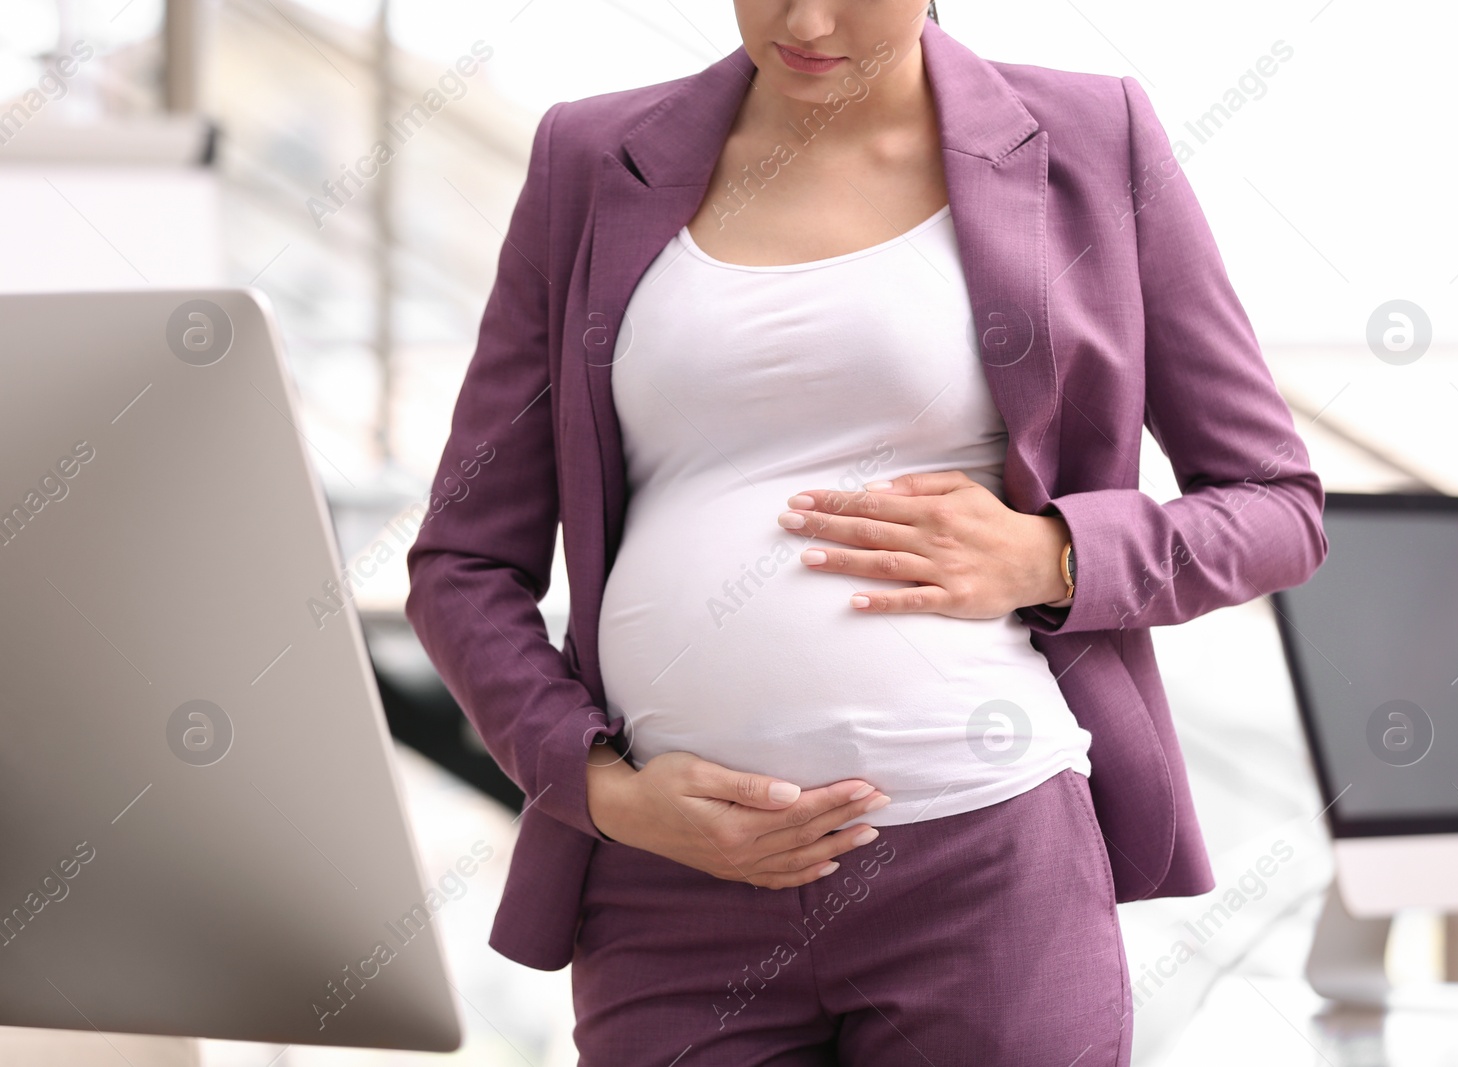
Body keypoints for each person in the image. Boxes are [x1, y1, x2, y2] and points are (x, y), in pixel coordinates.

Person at [405, 2, 1328, 1064]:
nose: (804, 20)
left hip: (983, 872)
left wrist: (1051, 555)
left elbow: (1274, 505)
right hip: (670, 894)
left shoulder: (1089, 137)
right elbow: (462, 562)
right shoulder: (589, 158)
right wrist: (602, 791)